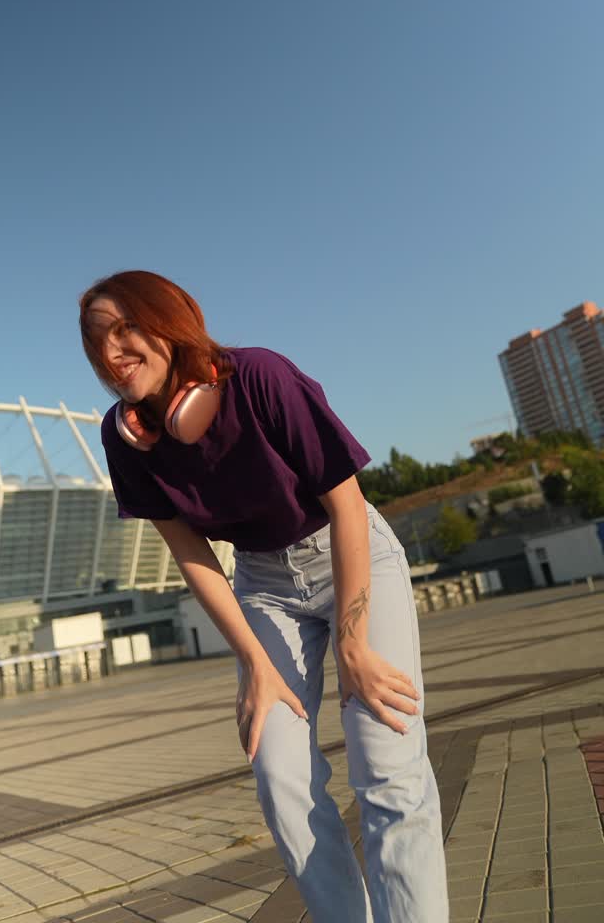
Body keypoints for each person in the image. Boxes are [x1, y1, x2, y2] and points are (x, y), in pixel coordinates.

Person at [79, 270, 448, 922]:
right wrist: (255, 663)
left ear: (169, 322)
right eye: (96, 340)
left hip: (348, 552)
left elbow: (348, 506)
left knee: (387, 764)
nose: (110, 352)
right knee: (279, 778)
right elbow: (193, 555)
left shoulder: (259, 377)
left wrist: (354, 643)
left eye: (125, 328)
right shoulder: (124, 437)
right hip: (262, 583)